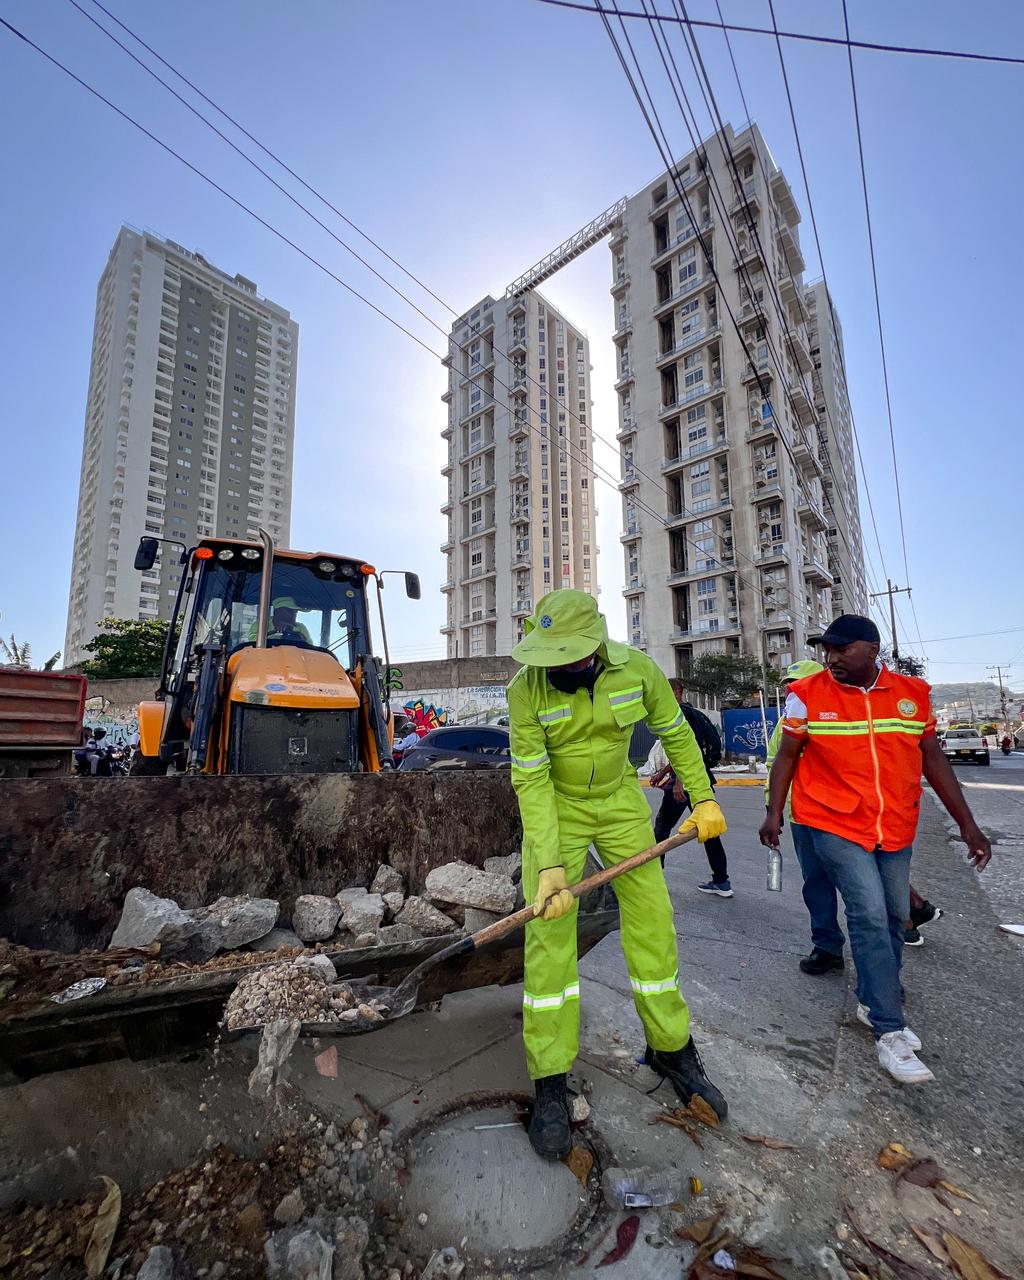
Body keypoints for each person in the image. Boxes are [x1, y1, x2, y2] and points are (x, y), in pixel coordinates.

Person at [508, 589, 729, 1159]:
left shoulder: (638, 671)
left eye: (565, 657)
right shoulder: (524, 690)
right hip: (558, 806)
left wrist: (702, 798)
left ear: (593, 648)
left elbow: (676, 733)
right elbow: (530, 781)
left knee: (654, 923)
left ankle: (672, 1050)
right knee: (551, 934)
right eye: (546, 657)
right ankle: (551, 1078)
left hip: (622, 800)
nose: (552, 668)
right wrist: (553, 866)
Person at [759, 614, 991, 1084]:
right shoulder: (808, 695)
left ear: (872, 648)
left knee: (893, 915)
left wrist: (968, 824)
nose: (833, 657)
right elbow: (787, 754)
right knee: (866, 912)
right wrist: (773, 811)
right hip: (832, 820)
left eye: (843, 649)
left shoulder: (913, 695)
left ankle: (873, 997)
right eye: (828, 649)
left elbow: (933, 760)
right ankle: (890, 1030)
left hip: (895, 826)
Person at [643, 679, 732, 897]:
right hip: (701, 779)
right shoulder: (694, 714)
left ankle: (653, 880)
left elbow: (686, 753)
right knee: (708, 830)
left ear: (676, 692)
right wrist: (662, 773)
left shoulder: (681, 713)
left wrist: (680, 783)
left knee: (662, 828)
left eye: (666, 690)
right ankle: (722, 881)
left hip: (687, 783)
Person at [248, 597, 313, 644]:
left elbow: (310, 647)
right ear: (278, 612)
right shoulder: (260, 624)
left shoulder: (300, 627)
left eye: (295, 612)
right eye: (290, 611)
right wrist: (276, 632)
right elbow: (252, 644)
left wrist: (291, 630)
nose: (294, 615)